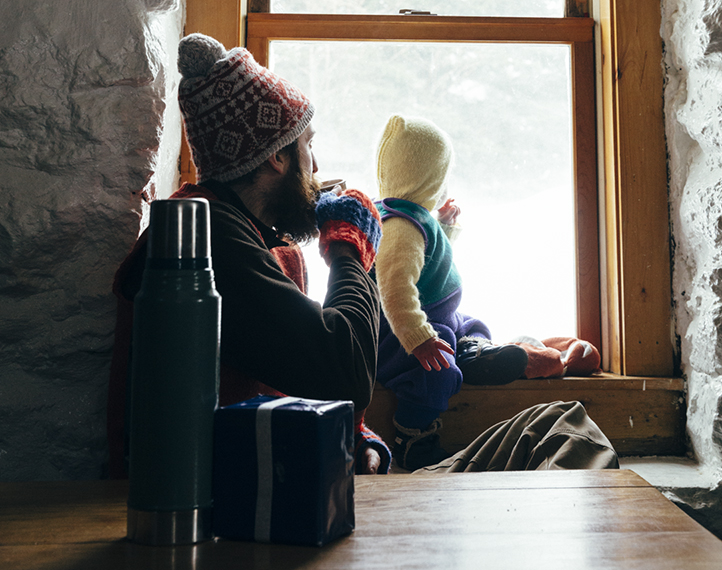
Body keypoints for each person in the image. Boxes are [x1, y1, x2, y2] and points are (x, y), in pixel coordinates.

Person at [108, 33, 618, 479]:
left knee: (559, 424)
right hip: (267, 509)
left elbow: (293, 373)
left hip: (310, 482)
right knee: (570, 434)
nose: (317, 165)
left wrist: (359, 440)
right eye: (307, 146)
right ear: (275, 157)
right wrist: (352, 250)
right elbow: (345, 373)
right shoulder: (212, 240)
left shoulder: (245, 237)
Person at [373, 114, 530, 470]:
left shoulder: (409, 217)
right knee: (435, 373)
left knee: (471, 323)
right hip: (401, 334)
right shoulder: (401, 227)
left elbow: (426, 262)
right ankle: (413, 437)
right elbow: (395, 289)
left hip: (437, 317)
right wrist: (419, 339)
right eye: (441, 178)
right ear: (427, 178)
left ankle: (473, 350)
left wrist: (442, 227)